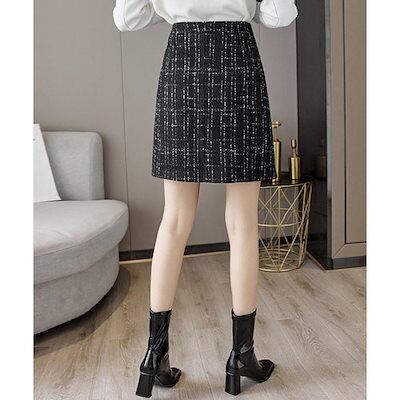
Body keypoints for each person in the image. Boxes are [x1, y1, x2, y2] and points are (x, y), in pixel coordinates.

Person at [113, 0, 298, 397]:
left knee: (174, 220)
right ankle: (241, 356)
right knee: (243, 223)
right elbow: (280, 15)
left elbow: (127, 18)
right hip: (238, 66)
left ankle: (154, 355)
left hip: (182, 66)